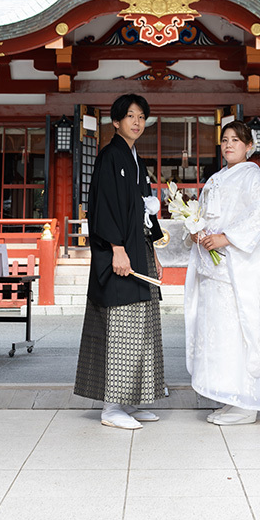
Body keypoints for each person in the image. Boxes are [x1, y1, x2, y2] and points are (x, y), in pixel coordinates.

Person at [184, 120, 260, 425]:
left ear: (249, 146)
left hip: (235, 268)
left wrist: (226, 237)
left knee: (238, 334)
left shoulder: (252, 176)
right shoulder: (215, 179)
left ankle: (248, 402)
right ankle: (229, 396)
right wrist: (196, 232)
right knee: (218, 337)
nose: (228, 145)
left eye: (236, 140)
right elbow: (204, 216)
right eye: (224, 140)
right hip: (214, 268)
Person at [74, 93, 165, 429]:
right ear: (115, 122)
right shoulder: (111, 156)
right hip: (120, 253)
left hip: (137, 252)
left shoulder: (134, 159)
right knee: (120, 328)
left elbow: (141, 211)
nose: (137, 122)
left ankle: (131, 401)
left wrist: (152, 251)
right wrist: (116, 248)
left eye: (141, 116)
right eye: (129, 116)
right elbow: (105, 206)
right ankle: (111, 407)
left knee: (141, 327)